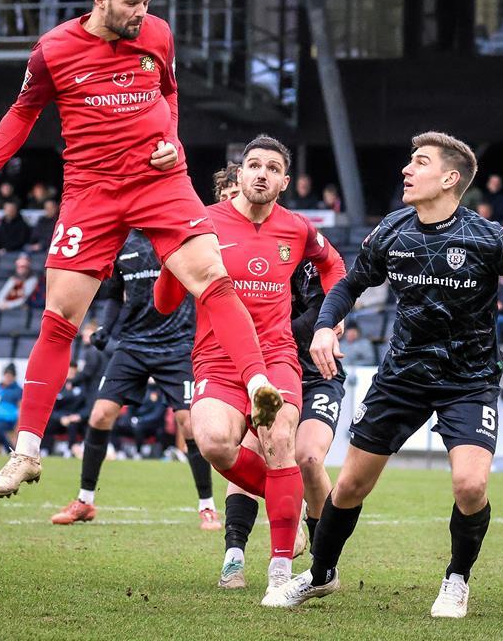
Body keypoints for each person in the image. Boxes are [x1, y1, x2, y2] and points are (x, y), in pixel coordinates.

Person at [0, 0, 280, 498]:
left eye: (148, 2)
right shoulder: (54, 49)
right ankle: (26, 452)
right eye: (132, 2)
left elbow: (170, 95)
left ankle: (258, 382)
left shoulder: (156, 35)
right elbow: (23, 112)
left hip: (159, 184)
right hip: (91, 191)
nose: (141, 12)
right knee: (60, 315)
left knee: (211, 277)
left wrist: (171, 142)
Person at [268, 131, 503, 618]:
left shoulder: (488, 238)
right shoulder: (393, 229)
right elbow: (350, 284)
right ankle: (320, 575)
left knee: (470, 486)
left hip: (469, 379)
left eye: (419, 162)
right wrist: (323, 328)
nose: (406, 170)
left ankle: (456, 581)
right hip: (402, 376)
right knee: (352, 485)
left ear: (449, 178)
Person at [154, 136, 346, 604]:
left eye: (273, 167)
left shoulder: (297, 229)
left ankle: (280, 571)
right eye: (253, 165)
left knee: (280, 441)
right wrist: (172, 257)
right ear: (237, 175)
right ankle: (290, 498)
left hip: (277, 356)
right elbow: (164, 304)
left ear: (284, 181)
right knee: (214, 442)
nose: (261, 173)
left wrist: (330, 319)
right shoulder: (203, 222)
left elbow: (334, 265)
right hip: (217, 359)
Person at [49, 229, 220, 529]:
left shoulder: (177, 237)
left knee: (190, 424)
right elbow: (115, 295)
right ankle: (85, 501)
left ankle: (207, 506)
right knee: (100, 415)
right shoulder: (121, 244)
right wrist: (106, 327)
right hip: (133, 344)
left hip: (176, 345)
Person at [218, 250, 351, 589]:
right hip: (265, 372)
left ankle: (323, 562)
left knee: (308, 457)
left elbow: (325, 309)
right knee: (250, 446)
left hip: (318, 373)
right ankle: (234, 557)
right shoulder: (229, 256)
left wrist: (265, 331)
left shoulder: (301, 254)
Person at [43, 364, 88, 456]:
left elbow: (87, 406)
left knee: (74, 425)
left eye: (73, 371)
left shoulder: (83, 387)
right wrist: (60, 418)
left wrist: (78, 416)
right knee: (47, 423)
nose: (71, 373)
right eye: (69, 371)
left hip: (76, 418)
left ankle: (71, 449)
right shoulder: (57, 386)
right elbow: (51, 408)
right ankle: (45, 449)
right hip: (60, 418)